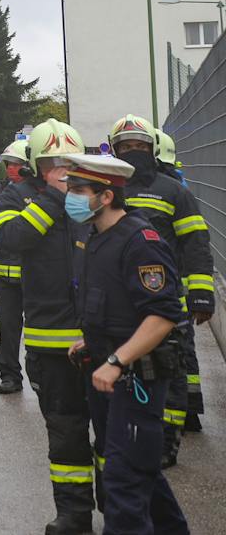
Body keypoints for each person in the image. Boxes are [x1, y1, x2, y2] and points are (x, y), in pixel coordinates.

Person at [63, 151, 191, 534]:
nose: (71, 196)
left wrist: (117, 359)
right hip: (106, 373)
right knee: (140, 474)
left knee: (122, 482)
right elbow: (114, 305)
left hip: (137, 380)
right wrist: (92, 344)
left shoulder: (141, 241)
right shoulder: (96, 238)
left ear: (106, 196)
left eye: (79, 190)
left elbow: (163, 315)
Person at [0, 119, 97, 535]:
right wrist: (55, 200)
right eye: (54, 163)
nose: (62, 170)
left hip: (101, 340)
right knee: (66, 432)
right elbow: (13, 238)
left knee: (112, 432)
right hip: (51, 347)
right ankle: (74, 516)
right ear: (38, 167)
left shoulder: (93, 199)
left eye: (68, 163)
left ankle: (119, 505)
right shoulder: (14, 199)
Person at [109, 116, 214, 456]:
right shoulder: (107, 191)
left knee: (171, 367)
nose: (133, 152)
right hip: (119, 301)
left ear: (152, 149)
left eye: (139, 146)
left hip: (166, 299)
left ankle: (167, 439)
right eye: (126, 147)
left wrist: (200, 293)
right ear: (114, 150)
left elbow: (195, 243)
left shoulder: (173, 191)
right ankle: (127, 431)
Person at [157, 128, 209, 433]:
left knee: (179, 351)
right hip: (181, 282)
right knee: (184, 349)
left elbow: (192, 240)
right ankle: (190, 410)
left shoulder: (171, 190)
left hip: (175, 284)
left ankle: (185, 411)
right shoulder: (178, 184)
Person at [0, 138, 31, 394]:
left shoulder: (39, 193)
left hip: (32, 275)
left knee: (37, 330)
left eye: (16, 164)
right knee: (8, 329)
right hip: (3, 275)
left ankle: (41, 375)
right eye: (8, 164)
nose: (10, 169)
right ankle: (10, 377)